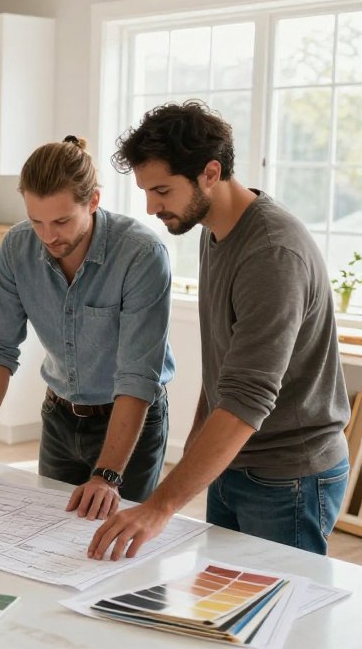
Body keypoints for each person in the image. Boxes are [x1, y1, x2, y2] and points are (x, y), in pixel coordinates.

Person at [90, 100, 351, 560]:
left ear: (210, 173)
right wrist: (193, 459)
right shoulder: (216, 231)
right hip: (235, 463)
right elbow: (225, 372)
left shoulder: (271, 253)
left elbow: (248, 398)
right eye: (147, 192)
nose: (151, 207)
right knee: (223, 611)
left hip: (288, 474)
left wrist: (160, 506)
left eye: (163, 191)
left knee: (276, 619)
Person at [0, 136, 175, 519]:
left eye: (61, 221)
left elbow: (138, 376)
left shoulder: (140, 255)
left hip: (129, 422)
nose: (48, 236)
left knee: (119, 544)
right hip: (59, 419)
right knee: (49, 536)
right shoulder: (16, 248)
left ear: (93, 201)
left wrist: (107, 475)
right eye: (36, 221)